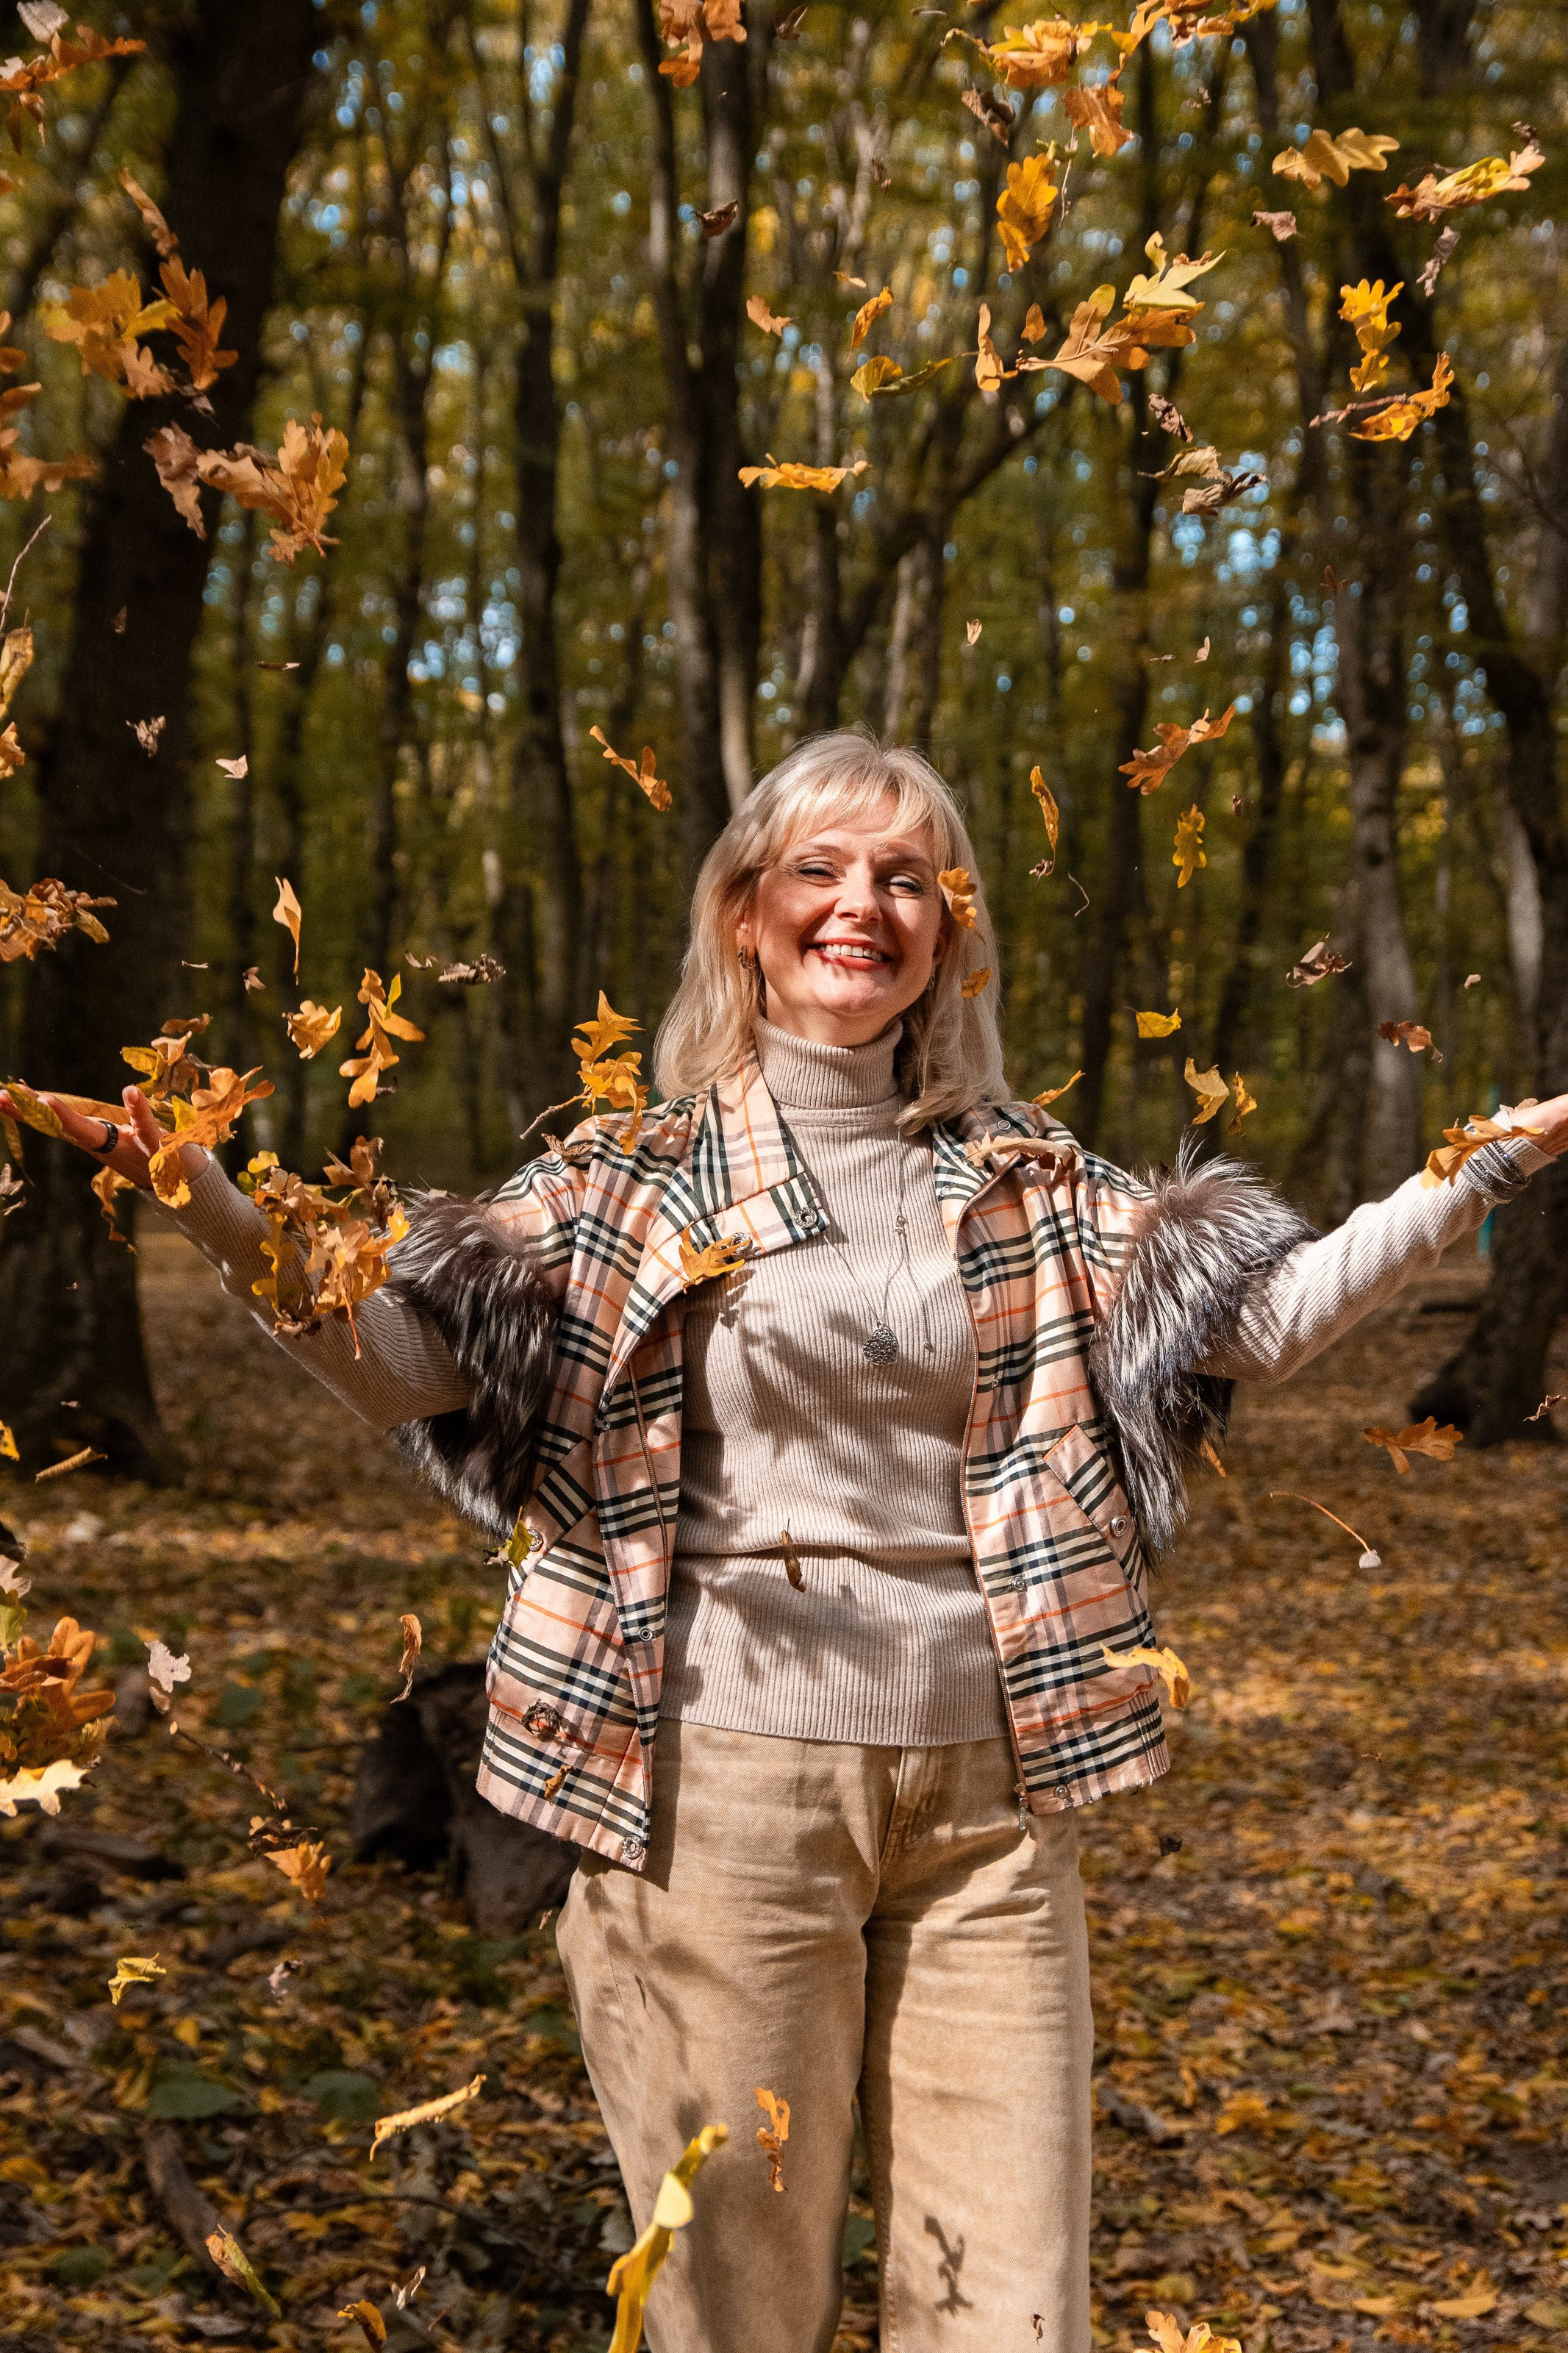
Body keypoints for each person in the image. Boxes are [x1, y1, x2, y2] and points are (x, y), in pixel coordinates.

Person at [7, 730, 1564, 2353]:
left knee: (1009, 2310)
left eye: (905, 876)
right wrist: (207, 1197)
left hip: (990, 1812)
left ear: (951, 928)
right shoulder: (629, 1175)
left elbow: (1267, 1319)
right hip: (711, 1794)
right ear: (745, 915)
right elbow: (403, 1360)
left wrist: (1485, 1160)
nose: (862, 904)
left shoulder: (1033, 1178)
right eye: (819, 869)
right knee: (733, 2313)